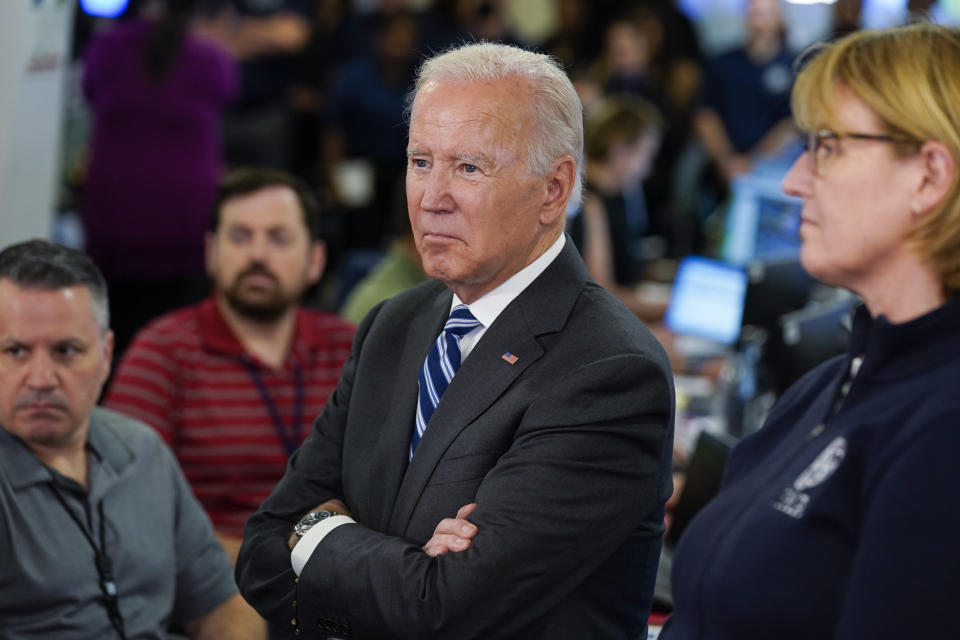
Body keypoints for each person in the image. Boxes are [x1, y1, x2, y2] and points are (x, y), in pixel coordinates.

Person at [235, 42, 675, 639]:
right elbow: (261, 546)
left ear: (552, 189)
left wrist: (317, 535)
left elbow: (446, 610)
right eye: (420, 161)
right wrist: (404, 565)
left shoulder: (609, 370)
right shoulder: (395, 323)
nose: (430, 198)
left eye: (469, 167)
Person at [661, 23, 960, 639]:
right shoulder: (831, 382)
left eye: (827, 146)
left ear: (929, 177)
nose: (795, 181)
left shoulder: (943, 427)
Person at [0, 240, 263, 639]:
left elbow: (221, 602)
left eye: (66, 351)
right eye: (16, 351)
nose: (41, 378)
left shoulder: (144, 453)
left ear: (106, 354)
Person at [105, 168, 354, 562]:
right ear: (211, 252)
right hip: (207, 574)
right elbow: (123, 495)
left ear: (315, 260)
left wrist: (307, 545)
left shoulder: (351, 347)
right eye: (240, 237)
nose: (257, 254)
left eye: (278, 238)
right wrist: (262, 563)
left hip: (333, 568)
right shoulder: (163, 350)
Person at [81, 0, 238, 360]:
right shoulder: (212, 59)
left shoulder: (105, 48)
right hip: (184, 227)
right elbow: (229, 93)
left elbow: (90, 93)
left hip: (112, 222)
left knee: (110, 337)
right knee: (178, 346)